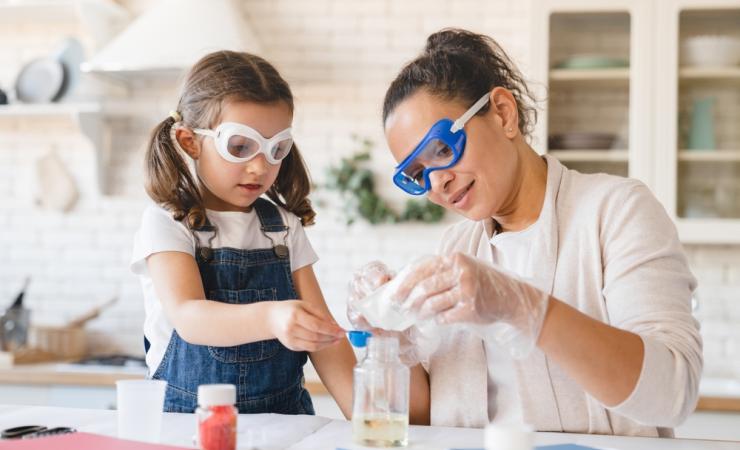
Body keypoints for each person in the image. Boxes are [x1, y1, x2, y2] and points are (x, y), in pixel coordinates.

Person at [350, 28, 702, 437]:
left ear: (502, 112)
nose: (436, 185)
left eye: (442, 149)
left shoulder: (616, 211)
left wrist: (526, 308)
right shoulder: (457, 248)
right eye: (416, 175)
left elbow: (673, 392)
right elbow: (431, 421)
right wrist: (392, 345)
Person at [130, 50, 355, 415]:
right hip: (186, 426)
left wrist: (369, 423)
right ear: (190, 141)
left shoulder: (284, 228)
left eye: (276, 148)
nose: (259, 167)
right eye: (240, 147)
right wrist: (273, 318)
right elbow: (189, 317)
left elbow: (324, 340)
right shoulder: (168, 223)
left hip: (285, 425)